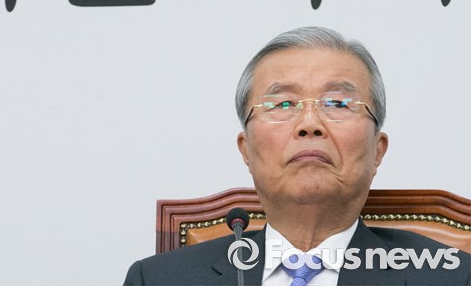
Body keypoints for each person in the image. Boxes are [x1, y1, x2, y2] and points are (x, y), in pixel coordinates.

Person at [123, 26, 470, 285]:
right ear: (246, 149)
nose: (309, 124)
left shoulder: (452, 276)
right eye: (283, 104)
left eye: (337, 103)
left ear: (377, 150)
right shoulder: (157, 280)